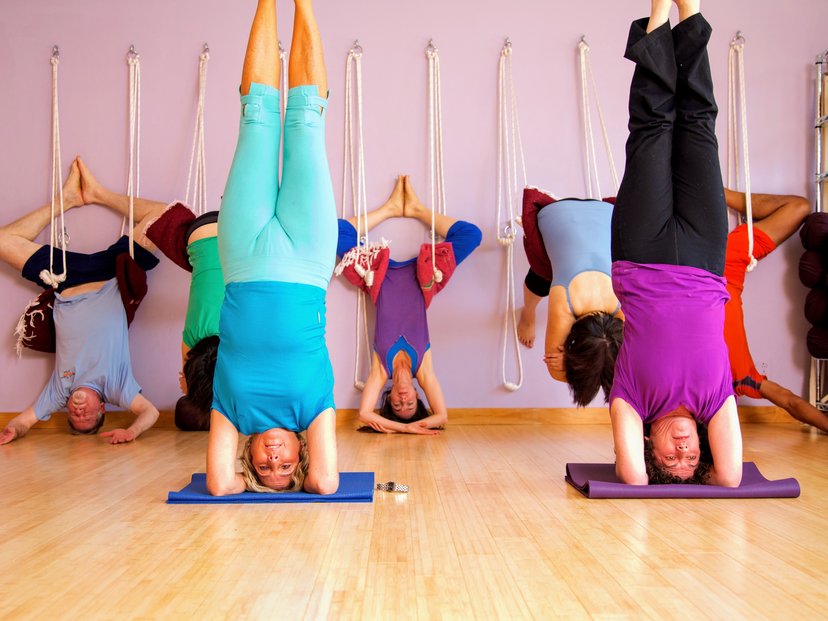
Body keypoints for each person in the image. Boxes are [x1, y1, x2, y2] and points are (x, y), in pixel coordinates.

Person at [206, 0, 338, 495]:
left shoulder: (231, 411)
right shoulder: (315, 409)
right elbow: (325, 484)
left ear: (249, 459)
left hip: (242, 258)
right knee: (307, 122)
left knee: (257, 117)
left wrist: (242, 478)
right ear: (304, 453)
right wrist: (305, 479)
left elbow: (220, 486)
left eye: (264, 469)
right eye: (286, 469)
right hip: (307, 259)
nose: (275, 461)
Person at [609, 0, 742, 486]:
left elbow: (633, 480)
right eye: (692, 460)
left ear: (649, 445)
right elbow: (728, 479)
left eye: (671, 460)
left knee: (653, 128)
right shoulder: (717, 401)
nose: (684, 453)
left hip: (641, 256)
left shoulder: (631, 400)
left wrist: (647, 470)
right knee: (699, 127)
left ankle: (659, 17)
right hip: (706, 260)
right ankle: (691, 13)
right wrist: (702, 476)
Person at [0, 158, 161, 445]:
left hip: (63, 279)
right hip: (112, 273)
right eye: (87, 417)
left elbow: (25, 420)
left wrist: (13, 429)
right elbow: (150, 413)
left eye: (74, 418)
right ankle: (99, 194)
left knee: (2, 241)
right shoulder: (117, 390)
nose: (78, 411)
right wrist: (131, 431)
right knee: (166, 217)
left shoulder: (60, 391)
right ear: (102, 408)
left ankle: (68, 199)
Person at [74, 159, 223, 432]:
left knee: (165, 220)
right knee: (164, 221)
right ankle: (98, 194)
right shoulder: (191, 338)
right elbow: (188, 370)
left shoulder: (242, 337)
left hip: (234, 233)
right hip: (199, 234)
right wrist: (190, 385)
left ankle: (99, 194)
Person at [337, 176, 482, 434]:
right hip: (424, 274)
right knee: (472, 235)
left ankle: (389, 210)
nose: (403, 399)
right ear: (417, 393)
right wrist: (414, 427)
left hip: (378, 273)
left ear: (389, 398)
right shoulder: (423, 369)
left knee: (337, 232)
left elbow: (364, 413)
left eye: (397, 404)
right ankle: (417, 209)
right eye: (410, 403)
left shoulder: (380, 370)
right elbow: (442, 416)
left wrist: (404, 429)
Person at [723, 189, 828, 432]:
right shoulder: (743, 380)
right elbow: (790, 402)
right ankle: (720, 193)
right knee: (799, 207)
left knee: (799, 206)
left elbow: (791, 402)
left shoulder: (741, 381)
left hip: (707, 265)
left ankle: (718, 193)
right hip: (726, 262)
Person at [517, 196, 624, 406]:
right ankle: (527, 314)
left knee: (561, 266)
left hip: (604, 212)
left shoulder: (622, 307)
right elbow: (554, 371)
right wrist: (569, 364)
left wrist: (576, 363)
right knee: (543, 274)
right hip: (559, 214)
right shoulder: (564, 302)